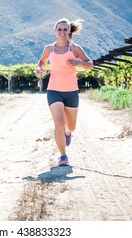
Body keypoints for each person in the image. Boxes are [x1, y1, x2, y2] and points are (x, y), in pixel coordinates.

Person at [36, 18, 93, 166]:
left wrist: (78, 63)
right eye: (59, 29)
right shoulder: (49, 49)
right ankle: (63, 156)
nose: (62, 32)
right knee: (59, 123)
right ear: (55, 31)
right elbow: (41, 61)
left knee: (71, 126)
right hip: (54, 90)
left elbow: (90, 64)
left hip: (71, 91)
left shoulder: (75, 48)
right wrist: (40, 68)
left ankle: (68, 132)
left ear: (69, 31)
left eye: (65, 29)